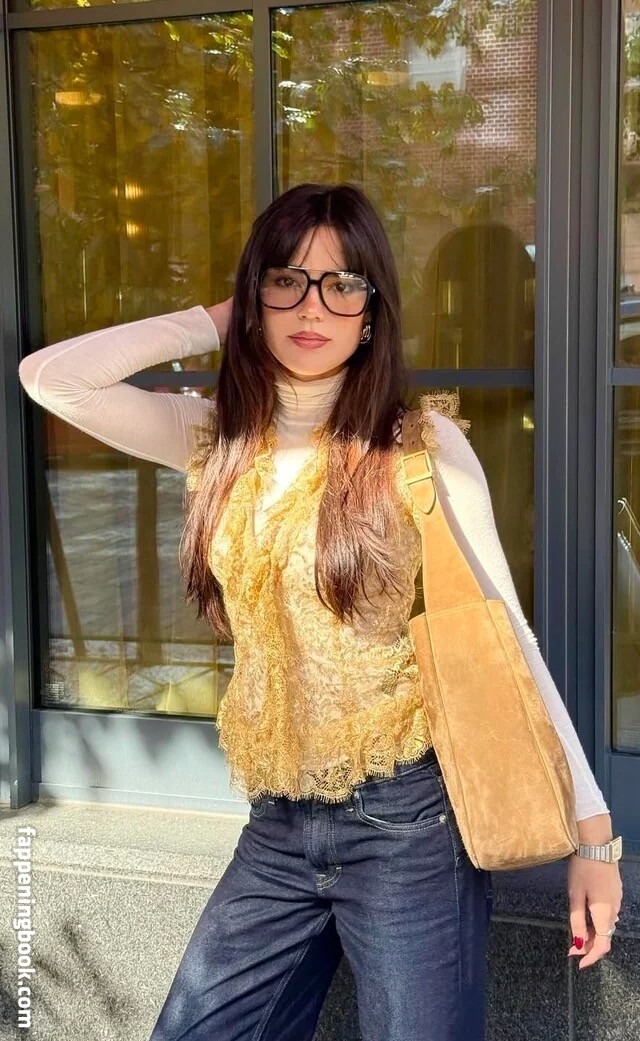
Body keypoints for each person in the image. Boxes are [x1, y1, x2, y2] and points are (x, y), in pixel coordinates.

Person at [18, 182, 622, 1041]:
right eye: (287, 280)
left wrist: (593, 840)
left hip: (409, 826)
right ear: (256, 295)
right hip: (278, 825)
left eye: (342, 284)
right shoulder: (215, 440)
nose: (313, 306)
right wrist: (217, 317)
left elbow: (508, 634)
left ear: (373, 311)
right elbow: (53, 378)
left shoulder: (420, 446)